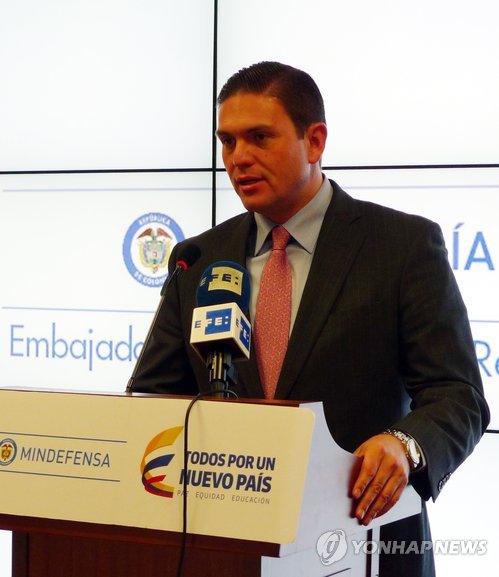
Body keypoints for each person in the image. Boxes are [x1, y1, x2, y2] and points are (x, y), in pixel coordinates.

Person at [132, 61, 489, 576]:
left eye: (259, 137)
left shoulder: (401, 247)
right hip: (227, 547)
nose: (238, 158)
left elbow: (459, 395)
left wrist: (406, 445)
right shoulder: (199, 259)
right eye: (227, 142)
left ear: (315, 141)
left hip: (364, 541)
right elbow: (151, 401)